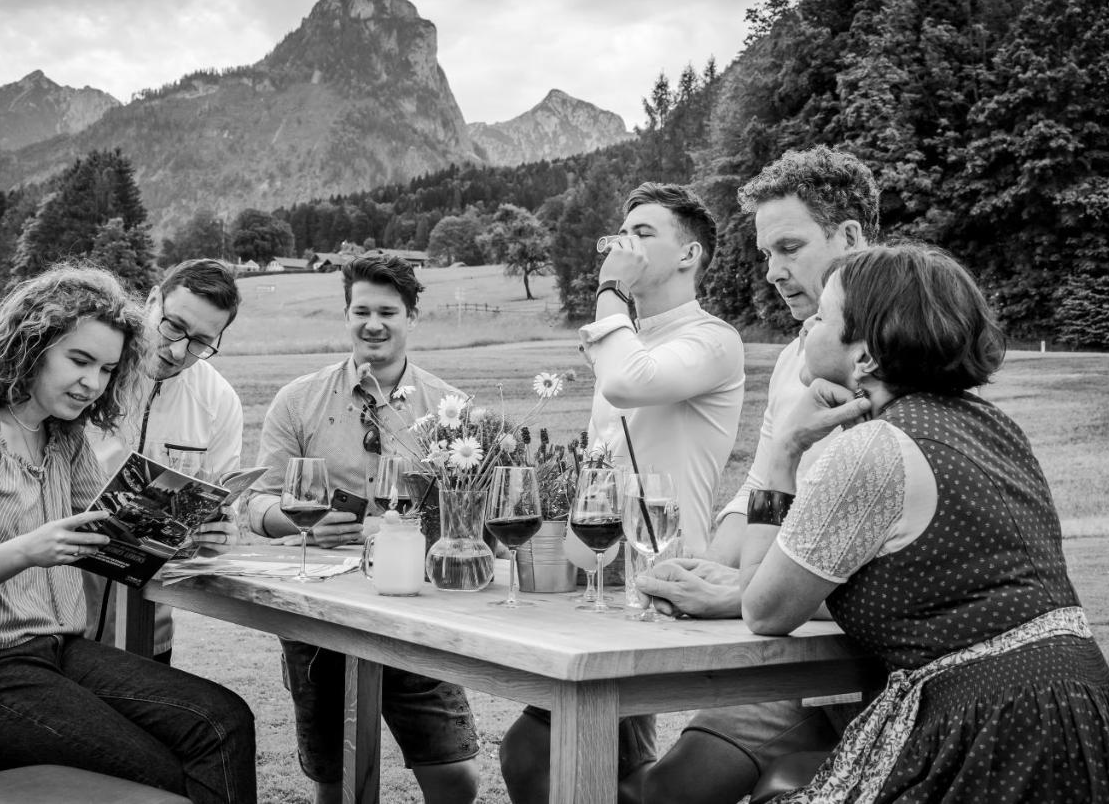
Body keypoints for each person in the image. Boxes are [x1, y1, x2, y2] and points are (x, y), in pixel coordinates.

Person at [739, 243, 1109, 801]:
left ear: (865, 359)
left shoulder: (872, 449)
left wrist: (784, 450)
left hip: (992, 728)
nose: (806, 327)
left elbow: (763, 609)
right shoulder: (993, 426)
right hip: (1084, 713)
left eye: (822, 318)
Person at [0, 264, 256, 804]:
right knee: (153, 772)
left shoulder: (64, 437)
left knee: (222, 719)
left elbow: (111, 536)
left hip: (50, 649)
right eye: (79, 360)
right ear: (31, 345)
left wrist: (190, 527)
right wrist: (25, 552)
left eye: (107, 369)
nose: (93, 383)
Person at [634, 146, 879, 804]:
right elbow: (758, 490)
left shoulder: (902, 362)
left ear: (851, 236)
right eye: (767, 253)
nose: (773, 271)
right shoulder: (791, 359)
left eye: (790, 247)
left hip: (880, 669)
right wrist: (702, 571)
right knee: (663, 792)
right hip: (791, 653)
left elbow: (888, 553)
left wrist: (747, 593)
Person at [499, 181, 745, 804]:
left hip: (664, 576)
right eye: (621, 234)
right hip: (601, 565)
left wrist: (609, 290)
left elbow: (633, 383)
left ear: (688, 254)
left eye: (643, 234)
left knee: (604, 767)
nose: (625, 246)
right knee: (542, 750)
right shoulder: (627, 341)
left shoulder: (714, 339)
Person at [244, 253, 479, 804]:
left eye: (388, 312)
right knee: (339, 782)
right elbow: (256, 502)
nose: (373, 324)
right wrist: (300, 523)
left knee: (456, 778)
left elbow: (468, 513)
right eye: (361, 311)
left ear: (411, 317)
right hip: (320, 611)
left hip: (414, 607)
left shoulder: (451, 410)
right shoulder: (298, 400)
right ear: (347, 315)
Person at [85, 258, 245, 665]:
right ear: (153, 299)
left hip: (149, 627)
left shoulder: (220, 400)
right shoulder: (93, 367)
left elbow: (224, 501)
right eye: (173, 326)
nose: (177, 351)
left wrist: (220, 532)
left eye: (200, 343)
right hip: (61, 618)